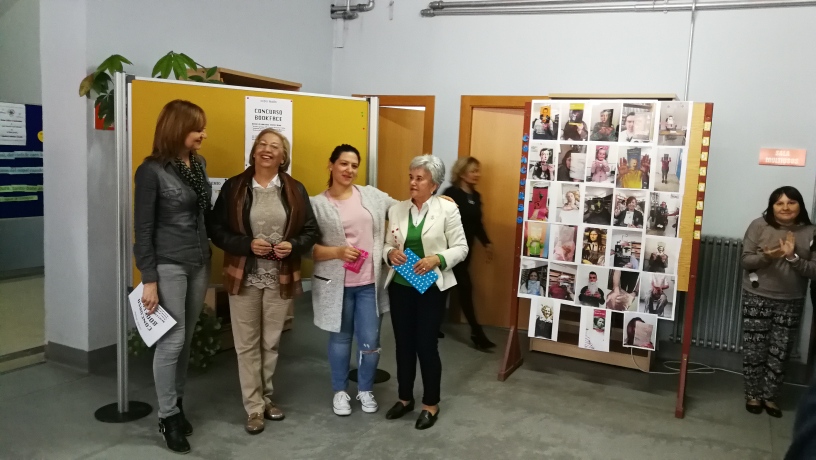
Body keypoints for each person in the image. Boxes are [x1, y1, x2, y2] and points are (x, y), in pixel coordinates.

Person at [209, 128, 319, 434]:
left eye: (275, 146)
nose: (267, 149)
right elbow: (216, 229)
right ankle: (254, 407)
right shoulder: (235, 187)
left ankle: (266, 396)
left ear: (283, 157)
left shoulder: (295, 189)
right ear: (254, 150)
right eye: (262, 144)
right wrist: (246, 245)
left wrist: (293, 245)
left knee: (271, 341)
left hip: (279, 276)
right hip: (244, 274)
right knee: (246, 344)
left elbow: (310, 230)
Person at [134, 100, 212, 454]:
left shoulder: (198, 164)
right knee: (172, 339)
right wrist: (148, 279)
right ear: (177, 129)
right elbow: (143, 229)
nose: (203, 134)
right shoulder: (151, 171)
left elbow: (203, 213)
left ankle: (177, 405)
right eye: (197, 128)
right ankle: (167, 416)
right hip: (168, 263)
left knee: (187, 336)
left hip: (199, 260)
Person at [308, 144, 397, 417]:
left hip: (370, 284)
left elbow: (403, 209)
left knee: (370, 341)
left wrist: (438, 201)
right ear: (331, 165)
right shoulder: (317, 204)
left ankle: (366, 389)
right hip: (336, 286)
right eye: (344, 164)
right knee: (341, 339)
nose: (349, 170)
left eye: (354, 165)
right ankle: (340, 391)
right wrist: (337, 252)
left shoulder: (371, 196)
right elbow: (307, 249)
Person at [382, 155, 468, 430]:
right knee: (403, 344)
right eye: (411, 177)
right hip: (401, 286)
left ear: (434, 184)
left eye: (419, 178)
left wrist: (437, 259)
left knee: (426, 345)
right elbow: (387, 243)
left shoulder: (447, 210)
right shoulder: (397, 209)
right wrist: (389, 253)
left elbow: (461, 248)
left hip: (431, 288)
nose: (412, 183)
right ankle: (404, 398)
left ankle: (430, 404)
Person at [740, 186, 816, 418]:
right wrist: (767, 256)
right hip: (757, 296)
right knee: (755, 348)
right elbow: (746, 260)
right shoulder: (759, 226)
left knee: (780, 352)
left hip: (791, 299)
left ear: (800, 206)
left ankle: (771, 397)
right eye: (779, 203)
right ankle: (753, 394)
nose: (785, 208)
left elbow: (814, 270)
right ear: (771, 206)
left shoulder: (811, 231)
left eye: (791, 202)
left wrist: (793, 257)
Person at [442, 157, 497, 350]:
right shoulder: (451, 194)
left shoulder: (476, 196)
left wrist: (486, 242)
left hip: (466, 251)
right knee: (464, 287)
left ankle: (430, 325)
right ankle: (477, 333)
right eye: (473, 171)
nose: (477, 174)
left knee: (444, 287)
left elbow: (477, 224)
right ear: (462, 172)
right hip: (449, 250)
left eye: (478, 171)